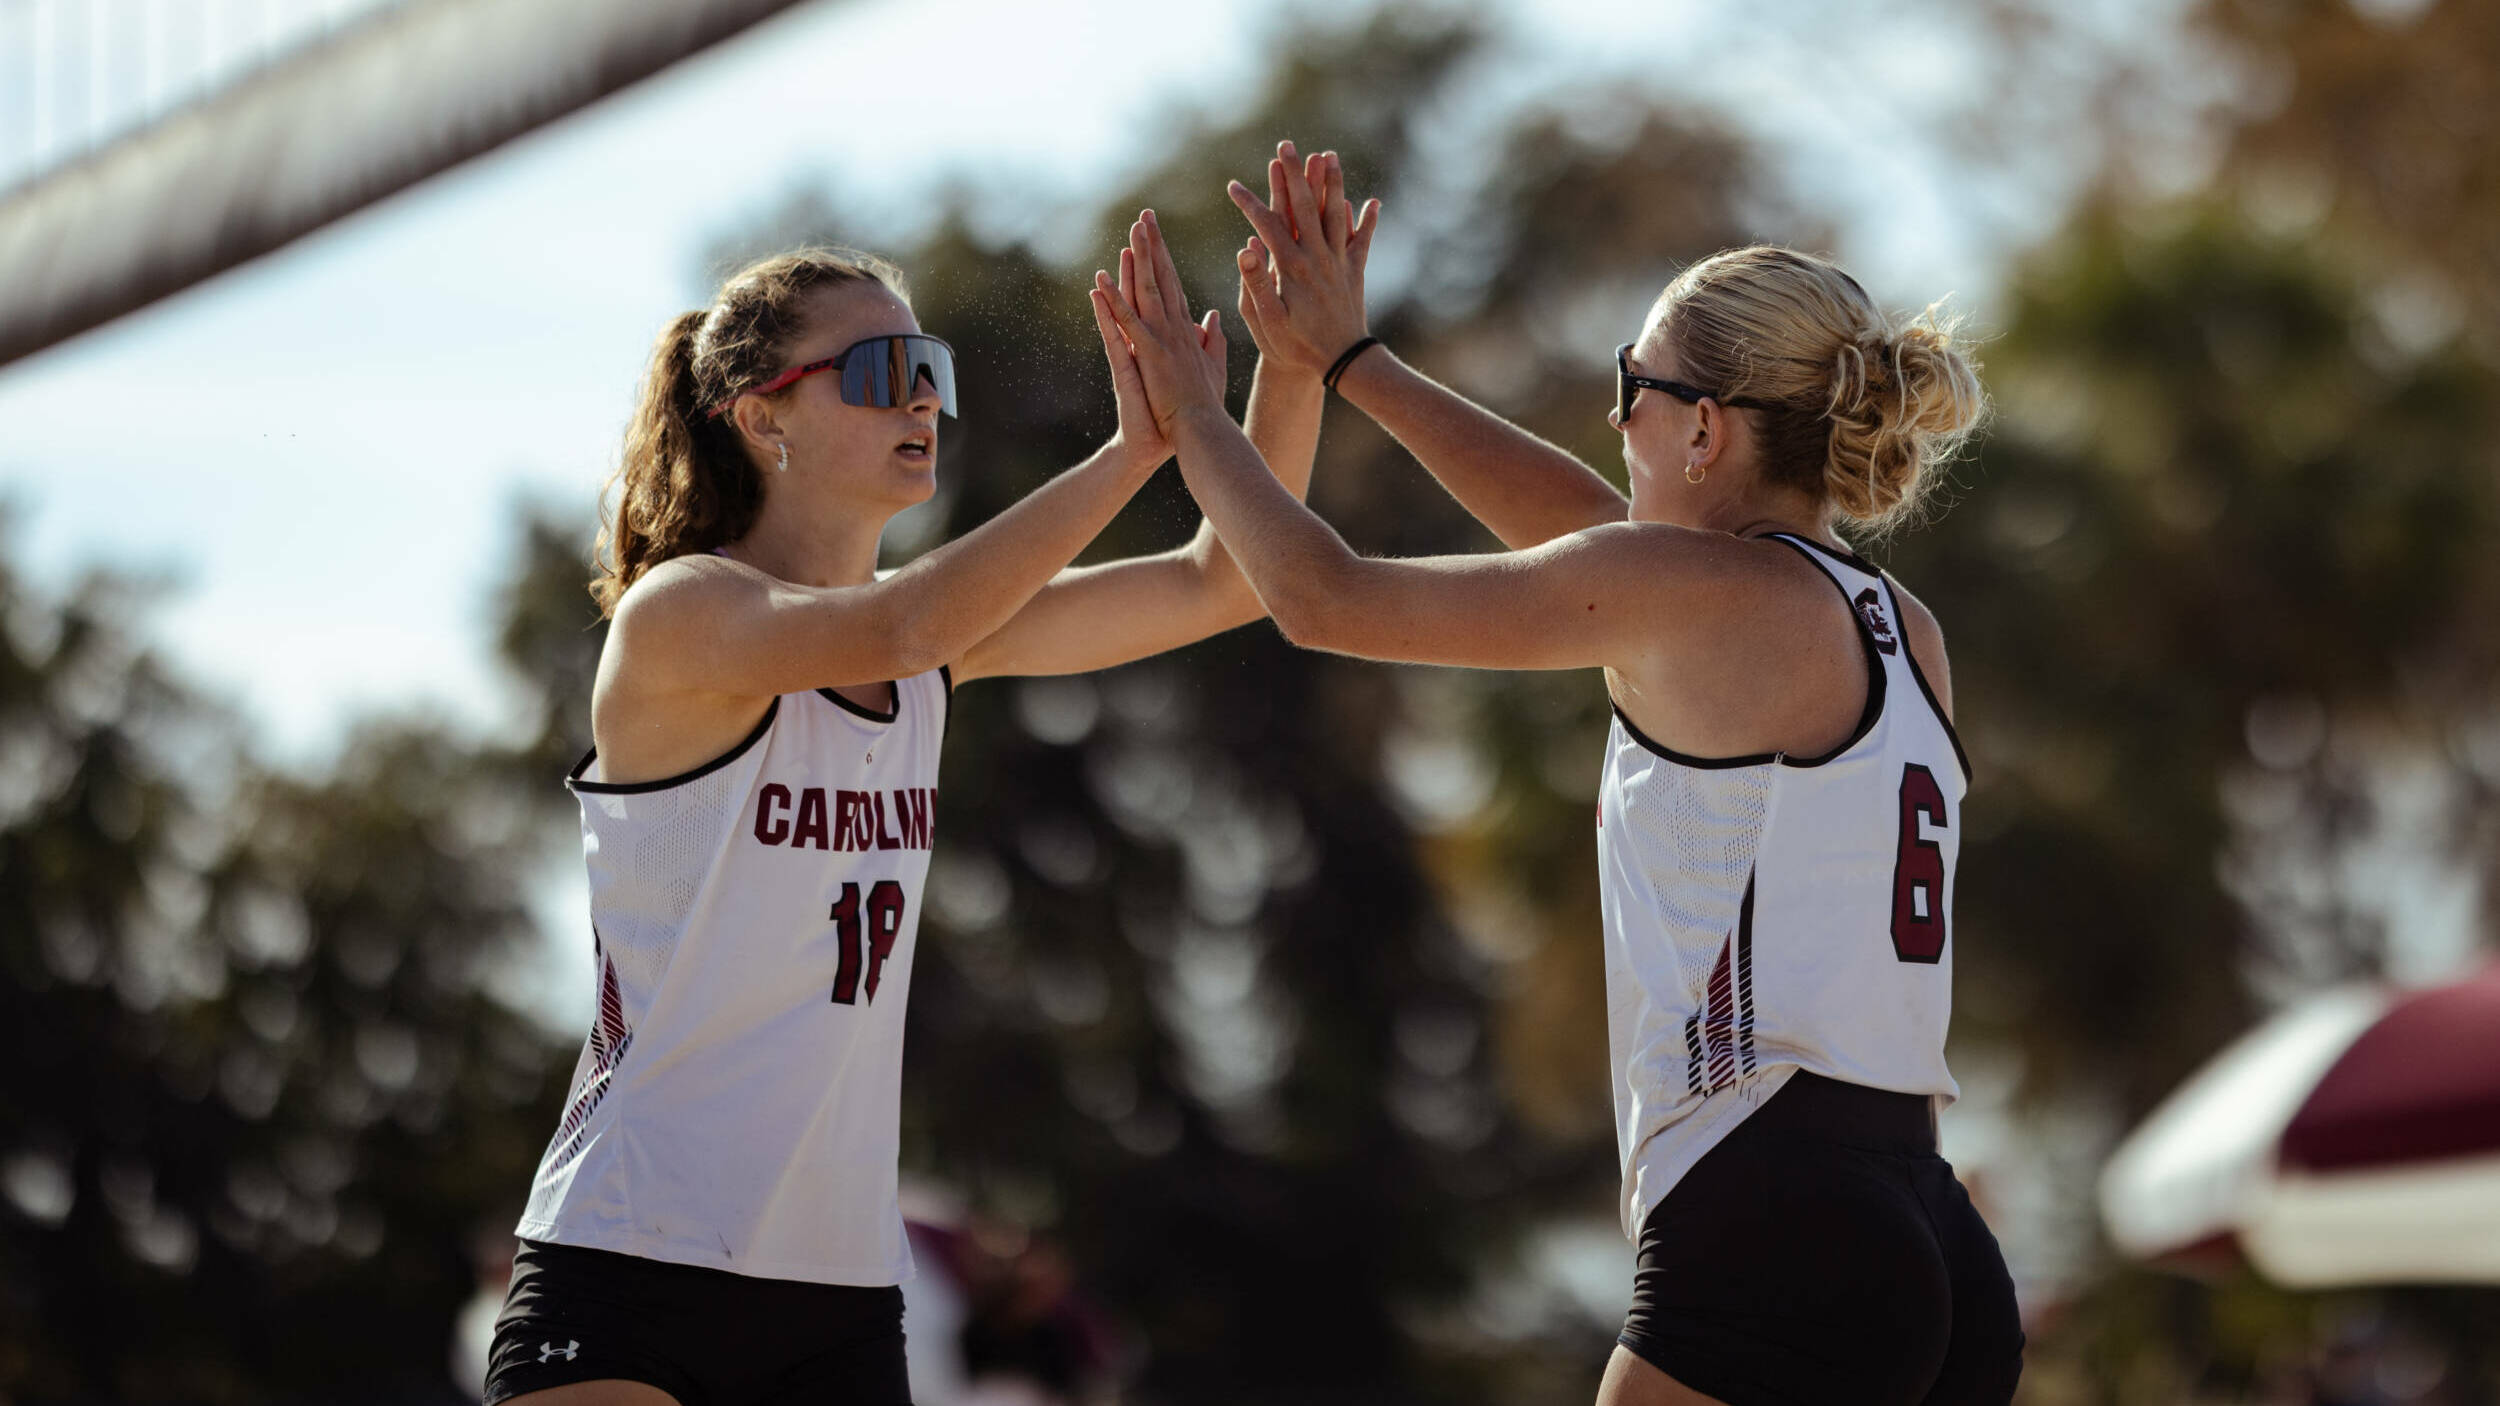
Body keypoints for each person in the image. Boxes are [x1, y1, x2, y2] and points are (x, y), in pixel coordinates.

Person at [1089, 143, 2023, 1405]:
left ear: (1702, 426)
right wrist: (1354, 365)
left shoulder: (1691, 596)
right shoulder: (1898, 622)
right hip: (1928, 1228)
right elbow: (1589, 538)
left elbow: (1318, 596)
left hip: (1771, 1210)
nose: (1614, 409)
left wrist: (1194, 415)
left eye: (1629, 382)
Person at [485, 228, 1322, 1406]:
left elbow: (1222, 579)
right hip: (628, 1256)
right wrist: (1139, 446)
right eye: (879, 371)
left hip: (838, 1290)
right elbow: (900, 629)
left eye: (928, 366)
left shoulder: (930, 632)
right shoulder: (682, 613)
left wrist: (1289, 365)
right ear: (757, 413)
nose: (921, 397)